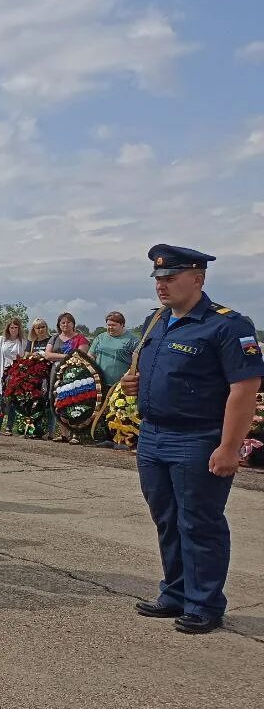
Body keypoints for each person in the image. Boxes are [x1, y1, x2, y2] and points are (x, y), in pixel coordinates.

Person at [123, 245, 262, 635]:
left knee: (199, 523)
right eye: (158, 280)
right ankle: (176, 591)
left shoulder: (227, 325)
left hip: (197, 439)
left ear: (198, 278)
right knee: (166, 519)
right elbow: (155, 371)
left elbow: (245, 389)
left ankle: (204, 603)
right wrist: (136, 384)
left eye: (170, 278)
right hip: (152, 437)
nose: (162, 286)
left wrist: (230, 447)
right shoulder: (155, 322)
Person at [44, 312, 90, 443]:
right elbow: (47, 355)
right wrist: (66, 356)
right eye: (62, 322)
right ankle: (64, 433)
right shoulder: (54, 338)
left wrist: (57, 356)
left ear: (73, 324)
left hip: (74, 373)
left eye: (68, 322)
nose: (65, 324)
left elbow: (81, 355)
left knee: (74, 400)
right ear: (59, 324)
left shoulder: (81, 338)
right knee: (56, 400)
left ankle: (75, 433)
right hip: (56, 372)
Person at [0, 318, 29, 435]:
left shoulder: (23, 341)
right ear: (8, 328)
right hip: (3, 373)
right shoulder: (0, 340)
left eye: (16, 327)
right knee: (1, 402)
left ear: (19, 329)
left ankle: (9, 427)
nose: (14, 330)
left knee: (13, 402)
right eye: (11, 327)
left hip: (16, 374)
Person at [89, 311, 137, 390]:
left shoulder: (133, 340)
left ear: (122, 325)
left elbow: (138, 361)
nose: (110, 327)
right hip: (99, 383)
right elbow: (91, 355)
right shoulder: (100, 337)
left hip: (120, 385)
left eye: (113, 325)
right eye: (108, 325)